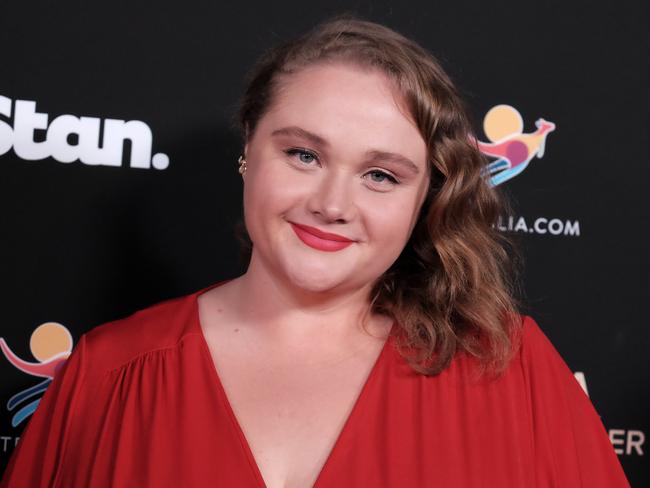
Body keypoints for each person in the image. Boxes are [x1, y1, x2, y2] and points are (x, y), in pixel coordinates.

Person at [1, 16, 629, 488]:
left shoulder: (511, 371)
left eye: (381, 175)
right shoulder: (109, 374)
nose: (333, 203)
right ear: (249, 150)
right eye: (304, 154)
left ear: (425, 198)